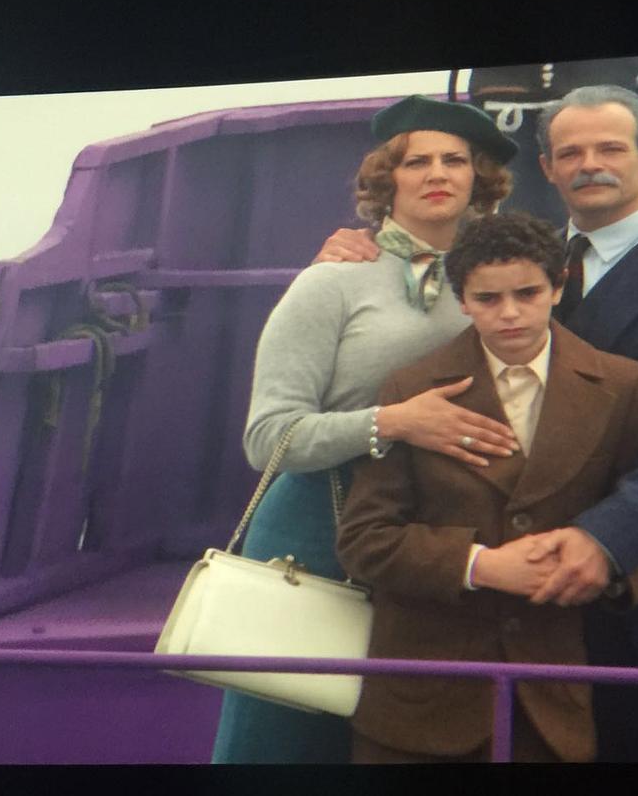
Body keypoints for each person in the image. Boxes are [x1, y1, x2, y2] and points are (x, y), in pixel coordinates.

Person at [314, 84, 638, 763]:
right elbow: (439, 260)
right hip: (548, 629)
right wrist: (362, 247)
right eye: (570, 152)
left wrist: (605, 540)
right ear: (547, 167)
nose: (589, 164)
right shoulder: (525, 263)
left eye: (610, 148)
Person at [210, 95, 522, 764]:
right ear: (388, 179)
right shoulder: (332, 282)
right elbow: (269, 437)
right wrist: (396, 422)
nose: (436, 174)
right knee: (284, 744)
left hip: (429, 545)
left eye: (454, 160)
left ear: (479, 178)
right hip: (317, 537)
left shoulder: (497, 284)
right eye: (416, 162)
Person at [334, 211, 638, 763]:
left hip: (549, 705)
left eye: (527, 293)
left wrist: (604, 561)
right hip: (418, 708)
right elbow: (364, 540)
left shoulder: (623, 385)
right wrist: (481, 565)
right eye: (487, 298)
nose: (509, 314)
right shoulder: (411, 387)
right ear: (462, 300)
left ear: (558, 287)